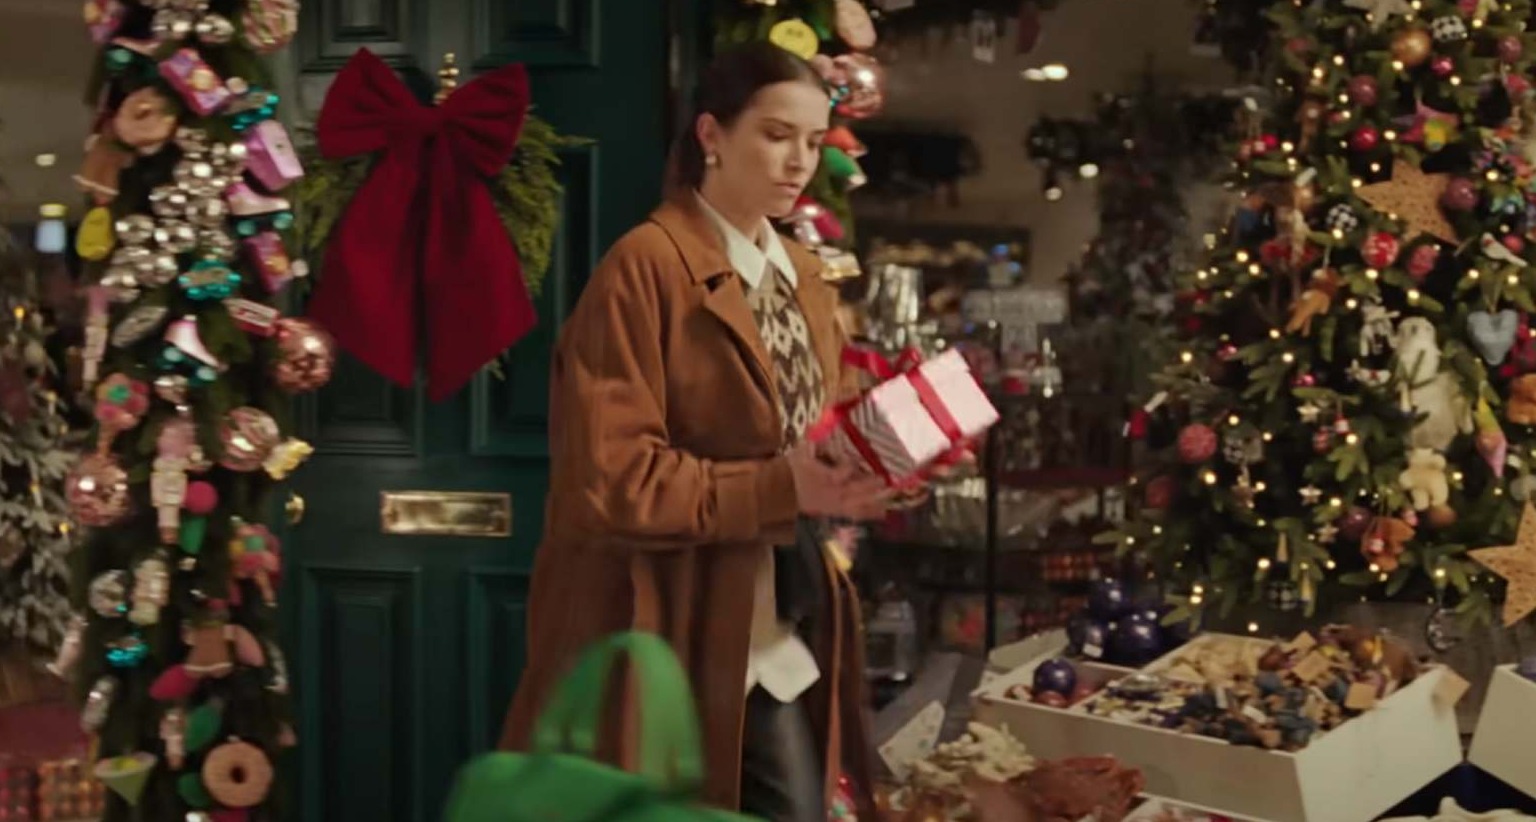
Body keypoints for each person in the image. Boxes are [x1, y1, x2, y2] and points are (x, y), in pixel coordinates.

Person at [498, 42, 896, 821]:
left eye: (814, 143)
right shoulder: (643, 268)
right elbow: (614, 481)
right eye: (776, 135)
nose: (799, 163)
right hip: (670, 627)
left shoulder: (805, 275)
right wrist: (787, 485)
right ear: (711, 136)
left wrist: (869, 464)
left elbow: (811, 429)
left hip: (783, 613)